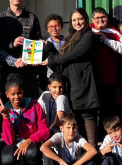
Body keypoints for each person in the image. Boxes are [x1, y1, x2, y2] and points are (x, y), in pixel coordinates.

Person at [43, 8, 100, 148]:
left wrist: (53, 60)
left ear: (86, 20)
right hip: (72, 83)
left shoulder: (88, 36)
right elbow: (63, 55)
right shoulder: (72, 36)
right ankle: (79, 152)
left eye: (80, 19)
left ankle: (92, 153)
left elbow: (73, 55)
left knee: (87, 115)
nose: (77, 22)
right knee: (75, 118)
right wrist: (50, 49)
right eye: (74, 20)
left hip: (84, 82)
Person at [0, 74, 50, 165]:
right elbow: (9, 141)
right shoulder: (4, 109)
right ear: (7, 94)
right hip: (13, 144)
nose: (16, 96)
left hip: (31, 143)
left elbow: (45, 131)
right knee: (7, 159)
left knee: (34, 154)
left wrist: (29, 141)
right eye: (12, 94)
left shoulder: (34, 105)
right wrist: (6, 117)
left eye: (19, 93)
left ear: (23, 91)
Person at [0, 0, 43, 99]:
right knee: (8, 104)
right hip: (7, 70)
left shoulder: (32, 18)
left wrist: (36, 57)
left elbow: (37, 40)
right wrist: (12, 44)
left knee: (30, 103)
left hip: (28, 70)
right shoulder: (0, 18)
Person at [90, 7, 122, 132]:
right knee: (92, 109)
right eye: (97, 18)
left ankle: (106, 134)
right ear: (92, 19)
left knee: (108, 107)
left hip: (109, 77)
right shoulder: (87, 29)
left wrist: (105, 39)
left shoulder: (114, 31)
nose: (101, 20)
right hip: (91, 77)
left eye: (103, 17)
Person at [44, 14, 65, 79]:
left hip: (65, 74)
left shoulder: (67, 41)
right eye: (51, 26)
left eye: (57, 25)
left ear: (61, 27)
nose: (54, 28)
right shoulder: (45, 43)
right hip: (51, 77)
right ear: (47, 29)